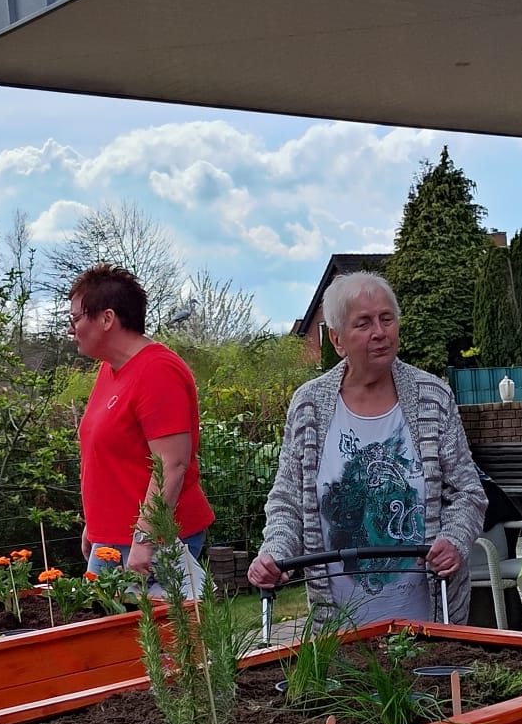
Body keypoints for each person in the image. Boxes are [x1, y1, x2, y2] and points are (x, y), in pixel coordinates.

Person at [249, 271, 486, 622]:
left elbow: (468, 492)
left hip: (430, 617)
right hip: (338, 623)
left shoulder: (431, 397)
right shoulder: (309, 405)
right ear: (337, 339)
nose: (380, 332)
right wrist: (274, 553)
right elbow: (287, 500)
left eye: (386, 319)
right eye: (363, 323)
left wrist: (453, 540)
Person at [70, 265, 214, 579]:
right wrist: (94, 527)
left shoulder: (157, 371)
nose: (71, 329)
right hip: (114, 539)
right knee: (105, 626)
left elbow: (172, 464)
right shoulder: (111, 371)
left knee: (157, 629)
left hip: (154, 541)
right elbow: (107, 459)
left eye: (76, 318)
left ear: (107, 319)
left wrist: (146, 538)